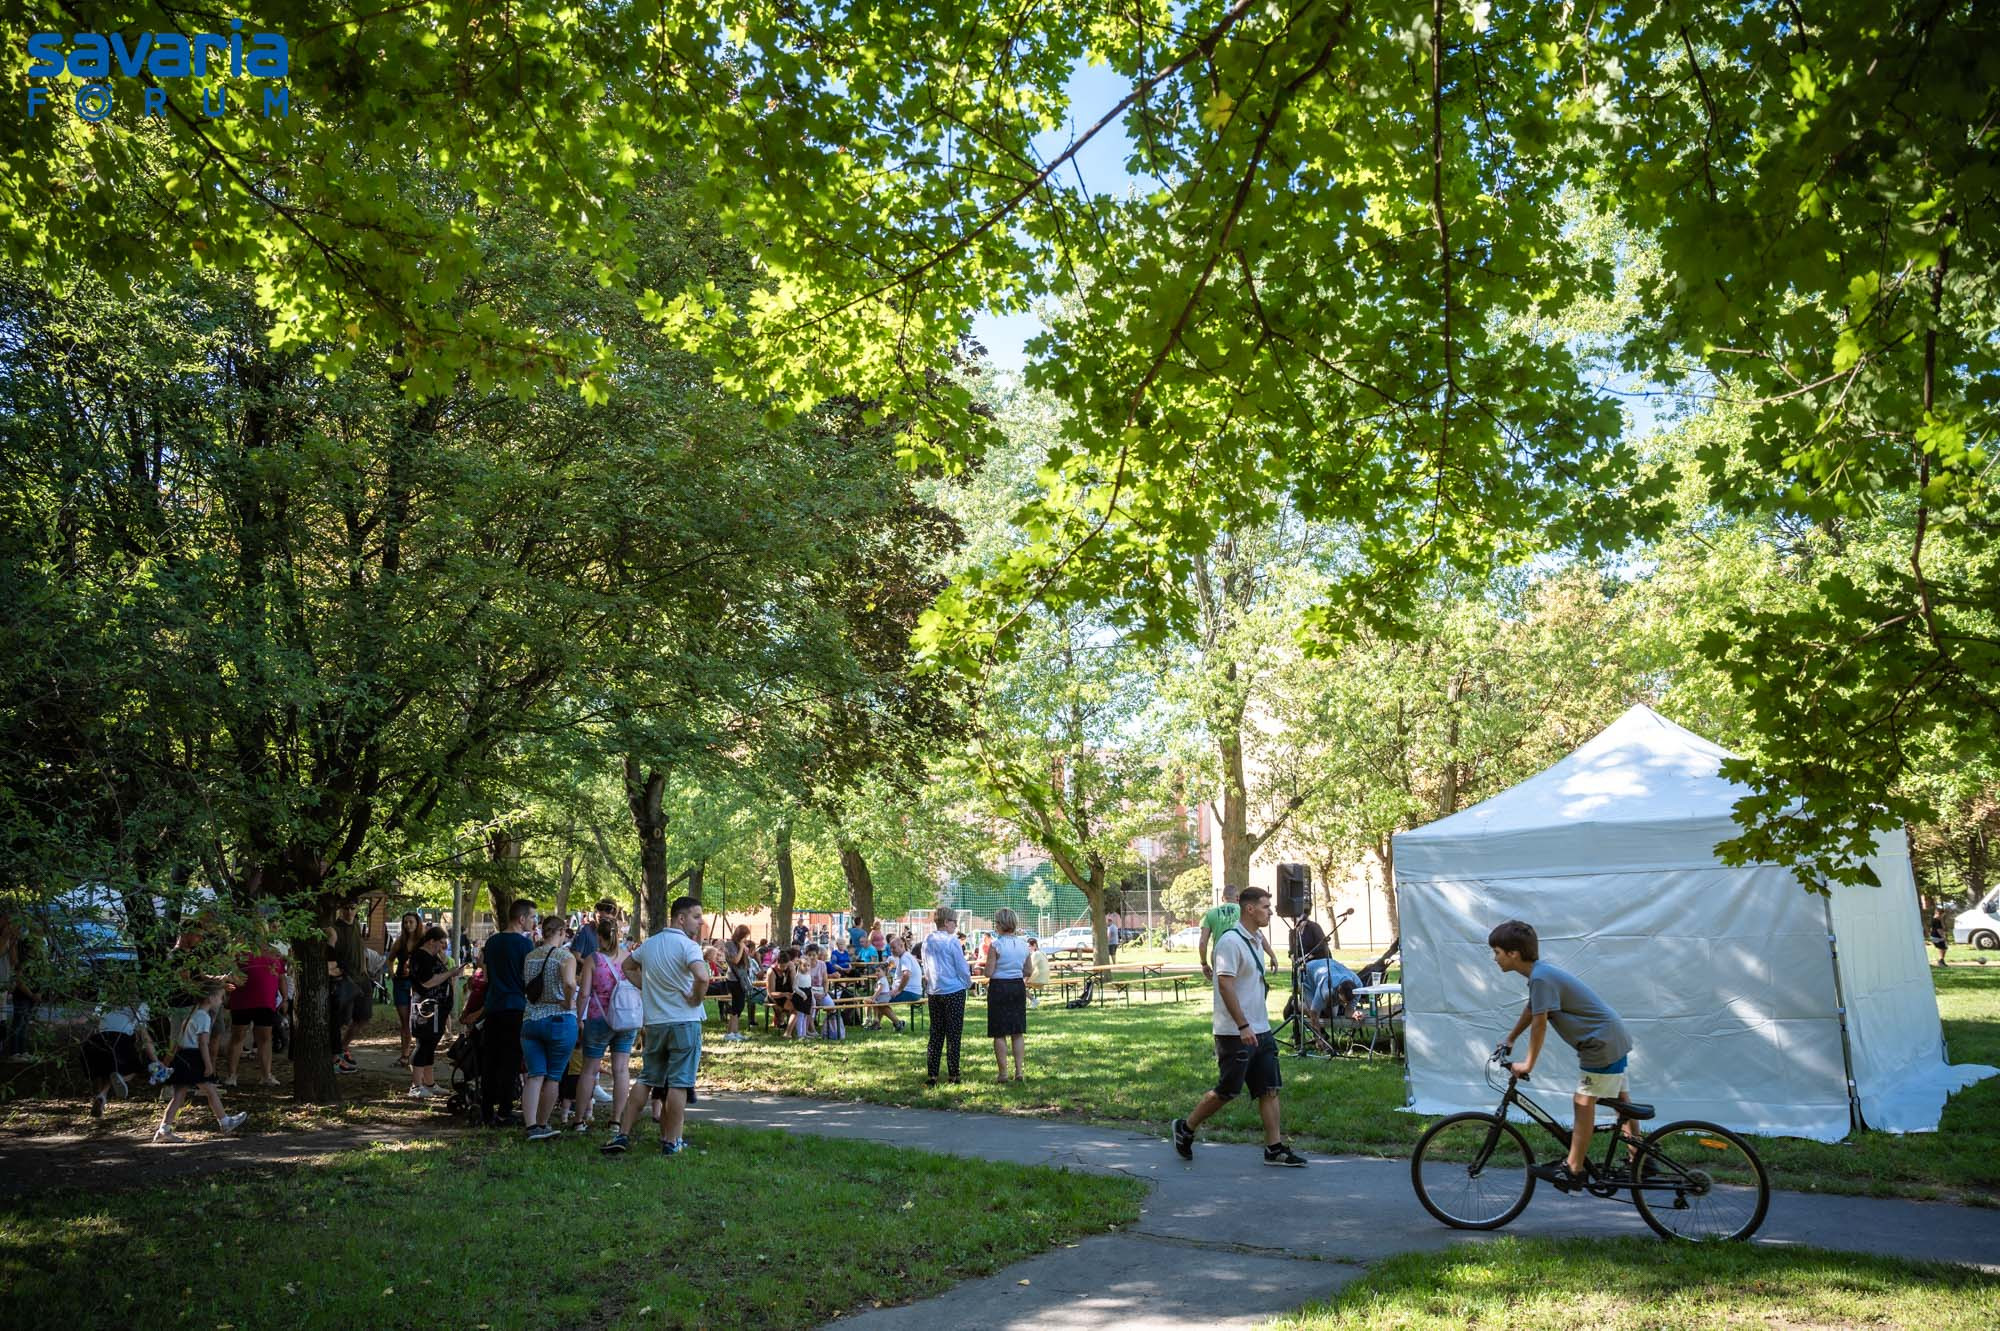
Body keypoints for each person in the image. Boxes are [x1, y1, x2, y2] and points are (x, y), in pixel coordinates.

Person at [1489, 919, 1638, 1193]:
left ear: (1513, 953)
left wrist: (1528, 1063)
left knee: (1583, 1102)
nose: (1494, 958)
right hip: (1610, 1037)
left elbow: (1540, 1023)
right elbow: (1532, 1008)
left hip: (1600, 1044)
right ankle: (1640, 1161)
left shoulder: (1541, 978)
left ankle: (1573, 1168)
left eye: (1497, 952)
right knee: (1621, 1104)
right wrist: (1511, 1037)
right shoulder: (1540, 976)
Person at [1170, 887, 1306, 1167]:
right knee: (1227, 1090)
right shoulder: (1230, 942)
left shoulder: (1255, 939)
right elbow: (1225, 985)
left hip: (1260, 1028)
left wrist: (1255, 1024)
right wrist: (1243, 1025)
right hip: (1235, 1032)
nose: (1270, 912)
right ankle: (1185, 1127)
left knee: (1269, 1088)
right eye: (1266, 907)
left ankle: (1274, 1149)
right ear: (1249, 909)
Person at [603, 895, 708, 1156]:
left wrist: (646, 987)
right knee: (679, 1083)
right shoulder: (688, 946)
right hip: (684, 1022)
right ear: (680, 918)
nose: (701, 922)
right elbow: (702, 977)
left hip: (655, 1023)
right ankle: (672, 1141)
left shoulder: (649, 944)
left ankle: (623, 1134)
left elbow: (627, 966)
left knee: (647, 1078)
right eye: (696, 916)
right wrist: (696, 998)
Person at [155, 983, 250, 1142]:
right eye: (220, 997)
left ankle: (164, 1128)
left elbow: (177, 1042)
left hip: (182, 1056)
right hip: (194, 1057)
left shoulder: (191, 1015)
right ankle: (225, 1122)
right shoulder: (204, 1017)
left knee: (179, 1095)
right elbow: (203, 1043)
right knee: (210, 1089)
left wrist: (167, 1062)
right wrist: (208, 1064)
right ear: (210, 998)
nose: (222, 1000)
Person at [519, 915, 579, 1141]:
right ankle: (543, 1123)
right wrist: (568, 1001)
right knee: (553, 1077)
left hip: (531, 1019)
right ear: (561, 932)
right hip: (559, 1020)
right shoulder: (565, 957)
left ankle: (531, 1126)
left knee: (535, 1076)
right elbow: (570, 983)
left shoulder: (530, 956)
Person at [479, 898, 536, 1127]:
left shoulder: (492, 942)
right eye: (532, 917)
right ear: (521, 919)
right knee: (510, 1060)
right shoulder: (524, 945)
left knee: (490, 1059)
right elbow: (529, 977)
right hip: (515, 1006)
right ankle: (504, 1109)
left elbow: (486, 974)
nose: (534, 922)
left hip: (494, 1005)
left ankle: (486, 1109)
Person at [83, 970, 158, 1119]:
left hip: (97, 1041)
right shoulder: (139, 1006)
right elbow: (144, 1037)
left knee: (105, 1072)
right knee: (135, 1069)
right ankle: (121, 1080)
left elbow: (94, 1027)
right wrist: (156, 1060)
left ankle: (101, 1097)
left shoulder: (103, 1004)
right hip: (120, 1041)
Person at [224, 927, 287, 1086]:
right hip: (241, 1001)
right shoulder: (239, 952)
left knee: (265, 1038)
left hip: (266, 1002)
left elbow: (281, 978)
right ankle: (231, 1076)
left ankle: (266, 1075)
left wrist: (285, 998)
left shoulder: (274, 953)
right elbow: (228, 974)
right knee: (238, 1036)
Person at [406, 926, 462, 1099]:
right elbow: (428, 982)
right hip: (426, 1008)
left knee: (431, 1045)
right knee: (423, 1044)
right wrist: (450, 972)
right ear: (431, 941)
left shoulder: (432, 957)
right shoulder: (420, 957)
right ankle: (416, 1085)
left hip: (438, 1007)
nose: (442, 947)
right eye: (441, 943)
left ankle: (429, 1083)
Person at [921, 907, 971, 1087]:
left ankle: (933, 1073)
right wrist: (967, 983)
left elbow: (926, 966)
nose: (956, 925)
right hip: (953, 990)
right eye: (954, 922)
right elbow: (961, 966)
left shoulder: (928, 940)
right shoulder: (952, 941)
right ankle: (953, 1073)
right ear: (946, 922)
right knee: (953, 1034)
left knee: (936, 1033)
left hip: (935, 990)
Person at [980, 907, 1031, 1082]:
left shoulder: (996, 945)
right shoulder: (1023, 945)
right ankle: (1019, 1071)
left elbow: (988, 972)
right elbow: (1028, 970)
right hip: (1017, 986)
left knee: (999, 1032)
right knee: (1017, 1031)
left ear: (1000, 925)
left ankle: (1003, 1073)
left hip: (999, 987)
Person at [326, 901, 374, 1074]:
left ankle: (343, 1048)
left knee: (364, 1017)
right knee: (340, 1021)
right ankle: (335, 1057)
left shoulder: (357, 925)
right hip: (345, 981)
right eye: (346, 908)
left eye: (352, 908)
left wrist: (365, 969)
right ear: (340, 909)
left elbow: (360, 948)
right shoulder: (334, 929)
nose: (349, 911)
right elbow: (330, 955)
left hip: (362, 978)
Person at [1199, 884, 1277, 981]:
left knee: (1223, 985)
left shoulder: (1210, 914)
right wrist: (1272, 955)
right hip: (1244, 953)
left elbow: (1202, 942)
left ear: (1222, 898)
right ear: (1237, 897)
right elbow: (1259, 935)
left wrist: (1204, 963)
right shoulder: (1244, 911)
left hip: (1219, 957)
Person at [388, 911, 424, 1067]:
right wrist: (392, 975)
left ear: (417, 923)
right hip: (401, 984)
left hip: (417, 986)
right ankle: (404, 1055)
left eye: (411, 922)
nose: (408, 925)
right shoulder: (400, 942)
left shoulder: (423, 941)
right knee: (405, 1021)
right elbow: (389, 960)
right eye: (405, 922)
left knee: (418, 1020)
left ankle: (419, 1054)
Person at [722, 925, 756, 1043]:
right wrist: (741, 948)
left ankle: (735, 1032)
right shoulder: (729, 945)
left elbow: (745, 962)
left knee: (739, 1005)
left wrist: (746, 951)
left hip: (741, 978)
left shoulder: (740, 945)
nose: (746, 939)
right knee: (736, 1006)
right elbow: (735, 960)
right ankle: (730, 1033)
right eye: (745, 936)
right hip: (733, 979)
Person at [1026, 937, 1050, 1008]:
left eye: (1029, 946)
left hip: (1040, 977)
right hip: (1045, 976)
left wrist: (1025, 978)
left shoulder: (1036, 954)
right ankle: (1031, 1000)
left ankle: (1033, 1000)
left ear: (1034, 945)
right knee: (1022, 984)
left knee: (1020, 984)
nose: (1028, 948)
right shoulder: (1042, 952)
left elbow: (1030, 967)